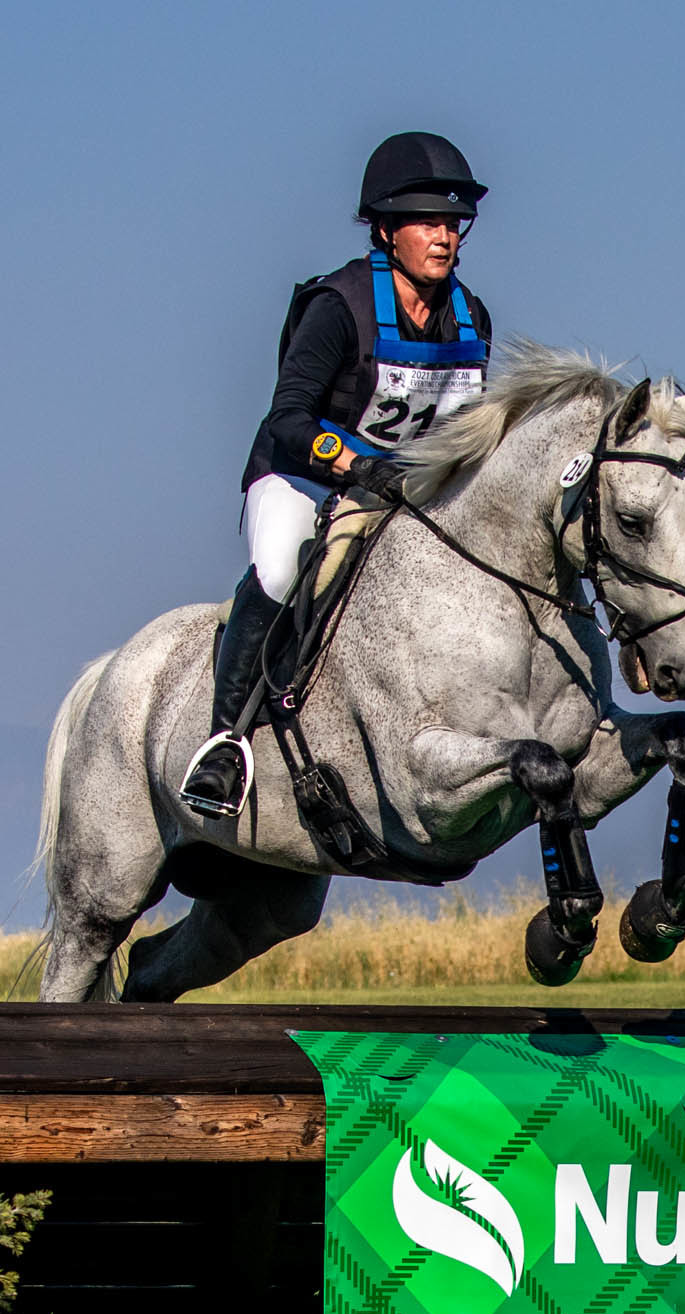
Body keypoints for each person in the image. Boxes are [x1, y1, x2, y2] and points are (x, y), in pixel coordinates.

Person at [181, 132, 494, 818]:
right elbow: (287, 418)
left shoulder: (471, 319)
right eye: (427, 222)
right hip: (305, 478)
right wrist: (357, 465)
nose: (444, 237)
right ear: (385, 230)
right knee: (284, 569)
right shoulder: (337, 307)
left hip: (402, 495)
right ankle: (225, 743)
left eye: (452, 223)